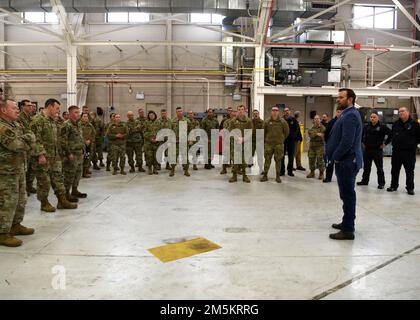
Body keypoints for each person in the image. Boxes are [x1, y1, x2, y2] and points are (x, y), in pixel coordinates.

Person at [326, 88, 363, 241]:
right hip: (344, 160)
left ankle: (348, 230)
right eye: (337, 97)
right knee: (345, 194)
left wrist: (335, 156)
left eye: (341, 97)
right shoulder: (347, 114)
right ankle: (346, 222)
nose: (337, 99)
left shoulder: (351, 116)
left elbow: (347, 141)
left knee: (348, 195)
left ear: (350, 99)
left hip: (347, 161)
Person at [30, 98, 77, 212]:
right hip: (43, 158)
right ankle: (44, 203)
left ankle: (62, 201)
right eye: (57, 109)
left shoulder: (52, 121)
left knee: (58, 179)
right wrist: (40, 154)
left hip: (55, 156)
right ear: (50, 107)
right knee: (44, 182)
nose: (58, 111)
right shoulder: (37, 120)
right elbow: (34, 139)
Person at [0, 98, 36, 247]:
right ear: (3, 110)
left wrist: (27, 139)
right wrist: (28, 140)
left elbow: (30, 136)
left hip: (18, 168)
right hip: (5, 172)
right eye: (14, 108)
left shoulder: (15, 124)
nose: (17, 110)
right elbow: (17, 145)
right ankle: (2, 233)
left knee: (20, 200)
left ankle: (15, 225)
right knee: (7, 202)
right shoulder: (2, 127)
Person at [387, 107, 420, 195]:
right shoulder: (396, 124)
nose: (401, 113)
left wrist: (413, 144)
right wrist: (385, 143)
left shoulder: (415, 124)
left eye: (403, 111)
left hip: (409, 153)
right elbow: (391, 135)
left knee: (409, 171)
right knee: (394, 170)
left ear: (408, 112)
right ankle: (394, 186)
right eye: (399, 111)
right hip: (396, 152)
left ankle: (410, 188)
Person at [357, 111, 392, 189]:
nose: (372, 118)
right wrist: (362, 142)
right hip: (367, 150)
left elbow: (391, 134)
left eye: (374, 117)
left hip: (377, 150)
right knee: (366, 167)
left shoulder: (382, 127)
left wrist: (385, 144)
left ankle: (381, 183)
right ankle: (365, 181)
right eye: (371, 117)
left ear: (378, 118)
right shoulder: (366, 127)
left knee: (379, 168)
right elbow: (360, 135)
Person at [60, 105, 87, 202]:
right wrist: (68, 153)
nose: (78, 114)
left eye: (78, 112)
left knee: (78, 173)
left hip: (79, 153)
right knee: (69, 174)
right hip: (71, 154)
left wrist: (83, 150)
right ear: (70, 114)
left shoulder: (78, 124)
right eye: (76, 112)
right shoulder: (66, 125)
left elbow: (80, 138)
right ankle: (66, 193)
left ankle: (74, 190)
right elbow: (63, 141)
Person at [261, 106, 289, 183]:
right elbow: (263, 132)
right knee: (267, 160)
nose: (274, 112)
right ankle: (265, 175)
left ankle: (277, 176)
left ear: (278, 112)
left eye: (276, 110)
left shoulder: (283, 122)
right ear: (271, 112)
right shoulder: (266, 121)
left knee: (278, 160)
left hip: (279, 145)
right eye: (273, 110)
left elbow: (286, 132)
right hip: (268, 144)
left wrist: (281, 139)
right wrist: (266, 140)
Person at [228, 105, 253, 183]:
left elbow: (250, 131)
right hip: (236, 143)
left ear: (245, 110)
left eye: (242, 109)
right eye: (239, 109)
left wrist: (244, 138)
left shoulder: (248, 121)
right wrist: (237, 138)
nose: (241, 111)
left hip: (245, 143)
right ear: (237, 111)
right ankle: (234, 176)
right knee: (235, 160)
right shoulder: (233, 121)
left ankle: (245, 176)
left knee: (244, 161)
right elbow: (231, 130)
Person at [17, 99, 37, 195]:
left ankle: (29, 186)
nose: (31, 107)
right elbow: (22, 133)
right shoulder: (19, 118)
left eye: (31, 105)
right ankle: (24, 189)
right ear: (22, 107)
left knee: (31, 168)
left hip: (31, 147)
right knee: (25, 168)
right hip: (24, 146)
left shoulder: (30, 117)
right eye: (28, 105)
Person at [169, 107, 193, 177]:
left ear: (182, 112)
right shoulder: (172, 121)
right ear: (176, 112)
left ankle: (186, 170)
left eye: (180, 111)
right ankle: (172, 170)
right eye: (178, 111)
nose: (179, 112)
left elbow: (190, 131)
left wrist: (190, 140)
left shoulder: (187, 120)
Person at [323, 109, 342, 183]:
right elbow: (326, 132)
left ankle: (340, 178)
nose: (339, 113)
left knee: (340, 164)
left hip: (340, 146)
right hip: (331, 145)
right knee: (330, 163)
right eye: (338, 112)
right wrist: (327, 142)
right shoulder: (332, 122)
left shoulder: (344, 121)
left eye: (340, 112)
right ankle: (328, 177)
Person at [281, 107, 300, 176]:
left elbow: (297, 129)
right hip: (283, 140)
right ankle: (282, 171)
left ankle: (290, 171)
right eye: (285, 111)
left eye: (288, 111)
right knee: (281, 156)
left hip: (291, 141)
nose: (286, 112)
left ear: (290, 112)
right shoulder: (281, 120)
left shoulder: (293, 120)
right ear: (283, 112)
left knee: (291, 156)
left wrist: (294, 137)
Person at [307, 115, 325, 180]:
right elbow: (310, 134)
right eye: (315, 119)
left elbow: (323, 135)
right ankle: (312, 172)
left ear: (320, 120)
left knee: (320, 160)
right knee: (311, 159)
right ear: (314, 120)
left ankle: (321, 173)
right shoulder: (311, 127)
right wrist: (317, 134)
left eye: (318, 119)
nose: (316, 120)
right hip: (312, 146)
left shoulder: (323, 127)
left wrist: (315, 133)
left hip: (320, 146)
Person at [143, 111, 161, 175]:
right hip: (149, 143)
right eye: (150, 115)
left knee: (155, 156)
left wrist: (157, 139)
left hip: (156, 143)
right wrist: (150, 138)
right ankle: (150, 169)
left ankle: (155, 169)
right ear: (148, 116)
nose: (151, 116)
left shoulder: (158, 123)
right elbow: (144, 133)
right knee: (149, 156)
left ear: (155, 115)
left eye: (152, 115)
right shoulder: (146, 123)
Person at [81, 113, 96, 178]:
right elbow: (78, 134)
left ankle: (85, 171)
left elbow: (93, 134)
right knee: (82, 159)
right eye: (84, 116)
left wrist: (90, 140)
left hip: (89, 145)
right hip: (81, 145)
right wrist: (84, 141)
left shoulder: (90, 125)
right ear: (81, 117)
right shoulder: (79, 125)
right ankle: (81, 172)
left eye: (86, 116)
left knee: (87, 158)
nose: (86, 117)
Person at [136, 108, 147, 172]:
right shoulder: (136, 120)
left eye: (142, 112)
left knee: (146, 150)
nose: (142, 113)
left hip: (145, 137)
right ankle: (138, 162)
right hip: (139, 137)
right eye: (140, 112)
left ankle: (147, 161)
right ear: (138, 113)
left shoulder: (146, 119)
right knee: (138, 151)